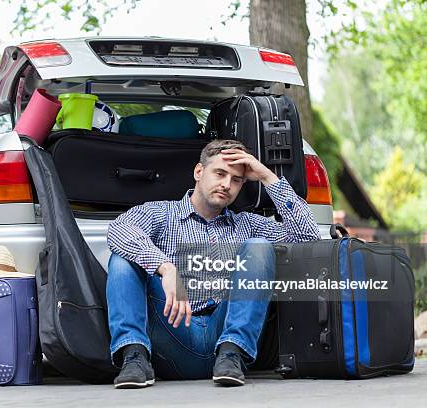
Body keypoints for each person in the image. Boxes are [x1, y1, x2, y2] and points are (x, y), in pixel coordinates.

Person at [106, 139, 321, 389]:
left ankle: (233, 352)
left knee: (259, 247)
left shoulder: (248, 224)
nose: (227, 184)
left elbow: (309, 240)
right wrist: (165, 268)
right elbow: (118, 230)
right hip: (174, 334)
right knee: (122, 259)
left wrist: (266, 176)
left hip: (227, 337)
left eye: (236, 179)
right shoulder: (160, 214)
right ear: (199, 172)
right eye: (220, 173)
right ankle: (134, 358)